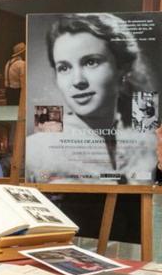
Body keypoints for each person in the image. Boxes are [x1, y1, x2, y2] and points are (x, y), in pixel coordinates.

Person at [26, 14, 159, 184]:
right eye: (64, 67)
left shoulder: (148, 137)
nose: (77, 81)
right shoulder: (37, 149)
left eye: (91, 62)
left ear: (122, 68)